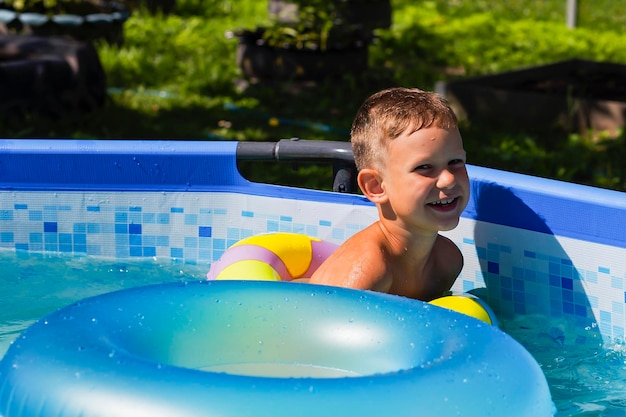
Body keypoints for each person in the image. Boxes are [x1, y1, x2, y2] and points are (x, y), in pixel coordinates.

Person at [309, 87, 469, 301]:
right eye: (424, 167)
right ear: (376, 186)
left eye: (455, 162)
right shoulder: (366, 272)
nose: (448, 179)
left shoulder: (447, 261)